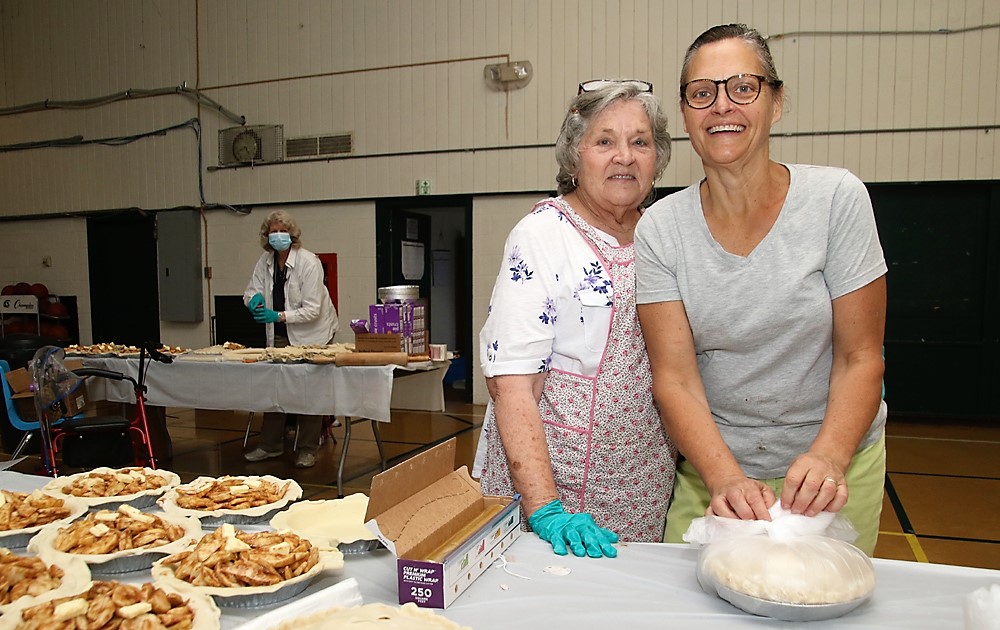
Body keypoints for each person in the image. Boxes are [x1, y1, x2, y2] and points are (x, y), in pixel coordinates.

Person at [634, 24, 887, 555]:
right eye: (702, 93)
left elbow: (860, 357)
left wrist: (829, 457)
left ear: (775, 102)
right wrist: (723, 477)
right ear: (685, 113)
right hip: (716, 468)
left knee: (821, 600)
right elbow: (676, 379)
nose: (721, 105)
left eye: (743, 87)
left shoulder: (837, 199)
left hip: (833, 464)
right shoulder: (659, 228)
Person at [475, 80, 677, 558]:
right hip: (555, 486)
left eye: (640, 142)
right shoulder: (542, 235)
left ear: (658, 157)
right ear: (574, 155)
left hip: (642, 480)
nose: (624, 157)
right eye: (605, 141)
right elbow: (511, 383)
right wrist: (544, 506)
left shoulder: (663, 233)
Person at [243, 209, 339, 468]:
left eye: (282, 231)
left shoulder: (309, 262)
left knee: (309, 392)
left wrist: (277, 315)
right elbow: (250, 291)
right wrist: (254, 300)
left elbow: (312, 310)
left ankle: (308, 448)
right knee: (275, 389)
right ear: (266, 236)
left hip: (313, 335)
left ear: (292, 235)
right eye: (273, 231)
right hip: (280, 335)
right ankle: (270, 445)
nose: (277, 236)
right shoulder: (264, 262)